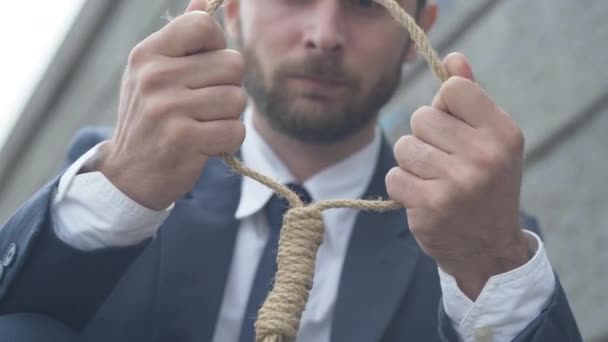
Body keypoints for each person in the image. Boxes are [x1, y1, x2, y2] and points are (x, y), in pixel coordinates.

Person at [0, 0, 581, 341]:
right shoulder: (116, 181)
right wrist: (120, 186)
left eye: (365, 3)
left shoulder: (473, 246)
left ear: (418, 30)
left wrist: (493, 262)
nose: (323, 36)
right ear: (231, 11)